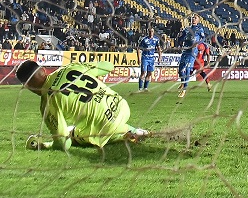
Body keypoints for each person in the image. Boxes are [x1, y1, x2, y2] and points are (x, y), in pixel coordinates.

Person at [16, 59, 150, 152]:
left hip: (105, 126)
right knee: (102, 120)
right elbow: (108, 66)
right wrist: (94, 72)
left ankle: (126, 133)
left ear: (27, 86)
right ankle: (133, 130)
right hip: (121, 106)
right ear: (44, 70)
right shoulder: (70, 67)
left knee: (71, 133)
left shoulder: (47, 103)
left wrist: (46, 145)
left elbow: (64, 143)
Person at [177, 14, 210, 99]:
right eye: (192, 18)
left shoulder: (200, 29)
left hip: (192, 52)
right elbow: (181, 38)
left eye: (195, 18)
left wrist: (198, 43)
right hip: (185, 50)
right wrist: (179, 38)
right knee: (180, 70)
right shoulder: (187, 29)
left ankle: (184, 89)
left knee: (188, 69)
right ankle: (183, 83)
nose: (193, 19)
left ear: (198, 20)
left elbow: (203, 39)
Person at [136, 26, 160, 92]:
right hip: (145, 57)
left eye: (152, 31)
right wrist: (139, 59)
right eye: (149, 31)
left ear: (153, 32)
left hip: (151, 58)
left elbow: (158, 48)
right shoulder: (144, 39)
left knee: (149, 73)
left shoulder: (156, 39)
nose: (151, 33)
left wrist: (160, 56)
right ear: (148, 32)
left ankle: (145, 88)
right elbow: (138, 49)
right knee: (143, 72)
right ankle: (140, 88)